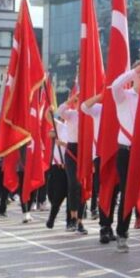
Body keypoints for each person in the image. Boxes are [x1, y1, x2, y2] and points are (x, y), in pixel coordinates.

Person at [109, 63, 140, 253]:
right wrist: (133, 71)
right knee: (127, 193)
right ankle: (122, 233)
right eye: (139, 74)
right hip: (126, 151)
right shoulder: (124, 97)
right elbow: (114, 86)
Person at [81, 93, 117, 244]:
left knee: (114, 193)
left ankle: (109, 225)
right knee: (103, 192)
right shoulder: (99, 109)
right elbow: (83, 107)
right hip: (100, 155)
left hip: (115, 154)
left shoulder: (118, 108)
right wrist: (99, 97)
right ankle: (104, 227)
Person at [57, 92, 88, 235]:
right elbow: (59, 111)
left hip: (85, 150)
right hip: (71, 151)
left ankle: (80, 220)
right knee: (73, 184)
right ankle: (73, 218)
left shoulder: (88, 114)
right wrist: (70, 99)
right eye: (77, 100)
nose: (78, 101)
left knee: (83, 186)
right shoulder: (71, 114)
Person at [46, 115, 71, 230]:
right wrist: (49, 109)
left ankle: (68, 221)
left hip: (69, 165)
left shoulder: (77, 129)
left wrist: (64, 144)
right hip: (56, 165)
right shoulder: (62, 127)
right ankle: (53, 216)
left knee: (67, 195)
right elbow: (50, 129)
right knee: (52, 193)